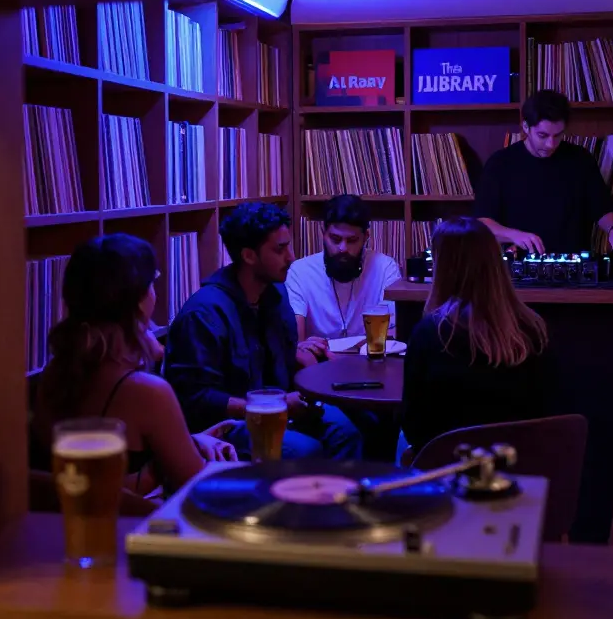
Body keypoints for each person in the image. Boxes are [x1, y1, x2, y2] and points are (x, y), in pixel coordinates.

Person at [32, 234, 239, 506]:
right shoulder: (146, 391)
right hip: (135, 532)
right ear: (139, 300)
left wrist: (189, 442)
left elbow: (88, 478)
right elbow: (195, 486)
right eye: (153, 282)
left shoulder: (54, 372)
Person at [164, 202, 364, 460]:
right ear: (249, 256)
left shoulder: (275, 293)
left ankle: (337, 499)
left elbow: (280, 358)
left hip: (277, 407)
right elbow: (196, 400)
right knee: (306, 451)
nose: (291, 256)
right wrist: (275, 405)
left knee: (347, 432)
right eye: (280, 249)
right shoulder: (204, 315)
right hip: (226, 425)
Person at [399, 217, 556, 457]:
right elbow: (543, 412)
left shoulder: (430, 332)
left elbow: (414, 425)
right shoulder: (532, 327)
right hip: (518, 471)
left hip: (448, 475)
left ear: (442, 267)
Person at [472, 89, 613, 254]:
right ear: (525, 127)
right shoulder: (500, 163)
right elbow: (483, 222)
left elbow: (602, 208)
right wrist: (515, 236)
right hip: (518, 269)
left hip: (573, 267)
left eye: (558, 135)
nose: (551, 144)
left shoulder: (580, 159)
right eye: (542, 135)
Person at [286, 194, 403, 342]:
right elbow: (297, 342)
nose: (343, 248)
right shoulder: (300, 272)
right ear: (323, 233)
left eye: (352, 240)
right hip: (320, 362)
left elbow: (391, 336)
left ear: (366, 237)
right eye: (335, 239)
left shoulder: (385, 268)